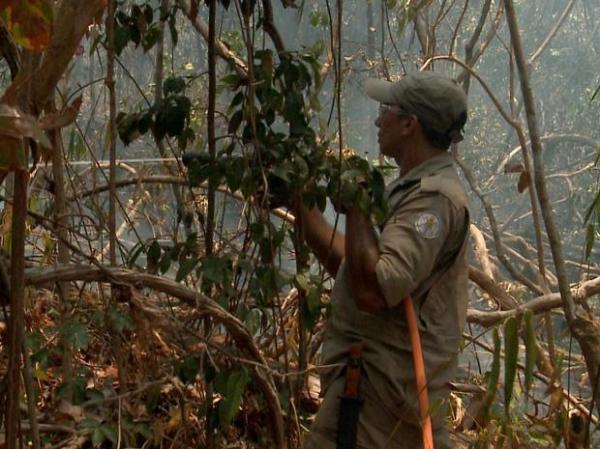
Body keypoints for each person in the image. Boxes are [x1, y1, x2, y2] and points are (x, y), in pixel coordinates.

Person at [300, 71, 470, 449]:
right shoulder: (408, 188)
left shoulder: (434, 201)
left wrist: (357, 206)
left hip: (380, 404)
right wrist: (303, 206)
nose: (378, 120)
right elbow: (355, 270)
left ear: (410, 124)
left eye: (387, 110)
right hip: (365, 394)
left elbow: (374, 290)